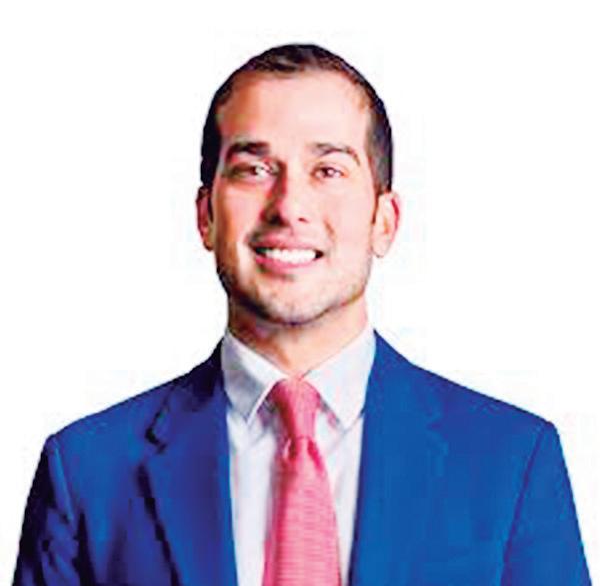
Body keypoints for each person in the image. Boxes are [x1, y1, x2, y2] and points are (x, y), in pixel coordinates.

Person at [13, 43, 590, 586]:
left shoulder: (512, 462)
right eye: (254, 169)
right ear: (206, 216)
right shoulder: (87, 472)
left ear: (384, 221)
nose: (289, 206)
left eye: (328, 170)